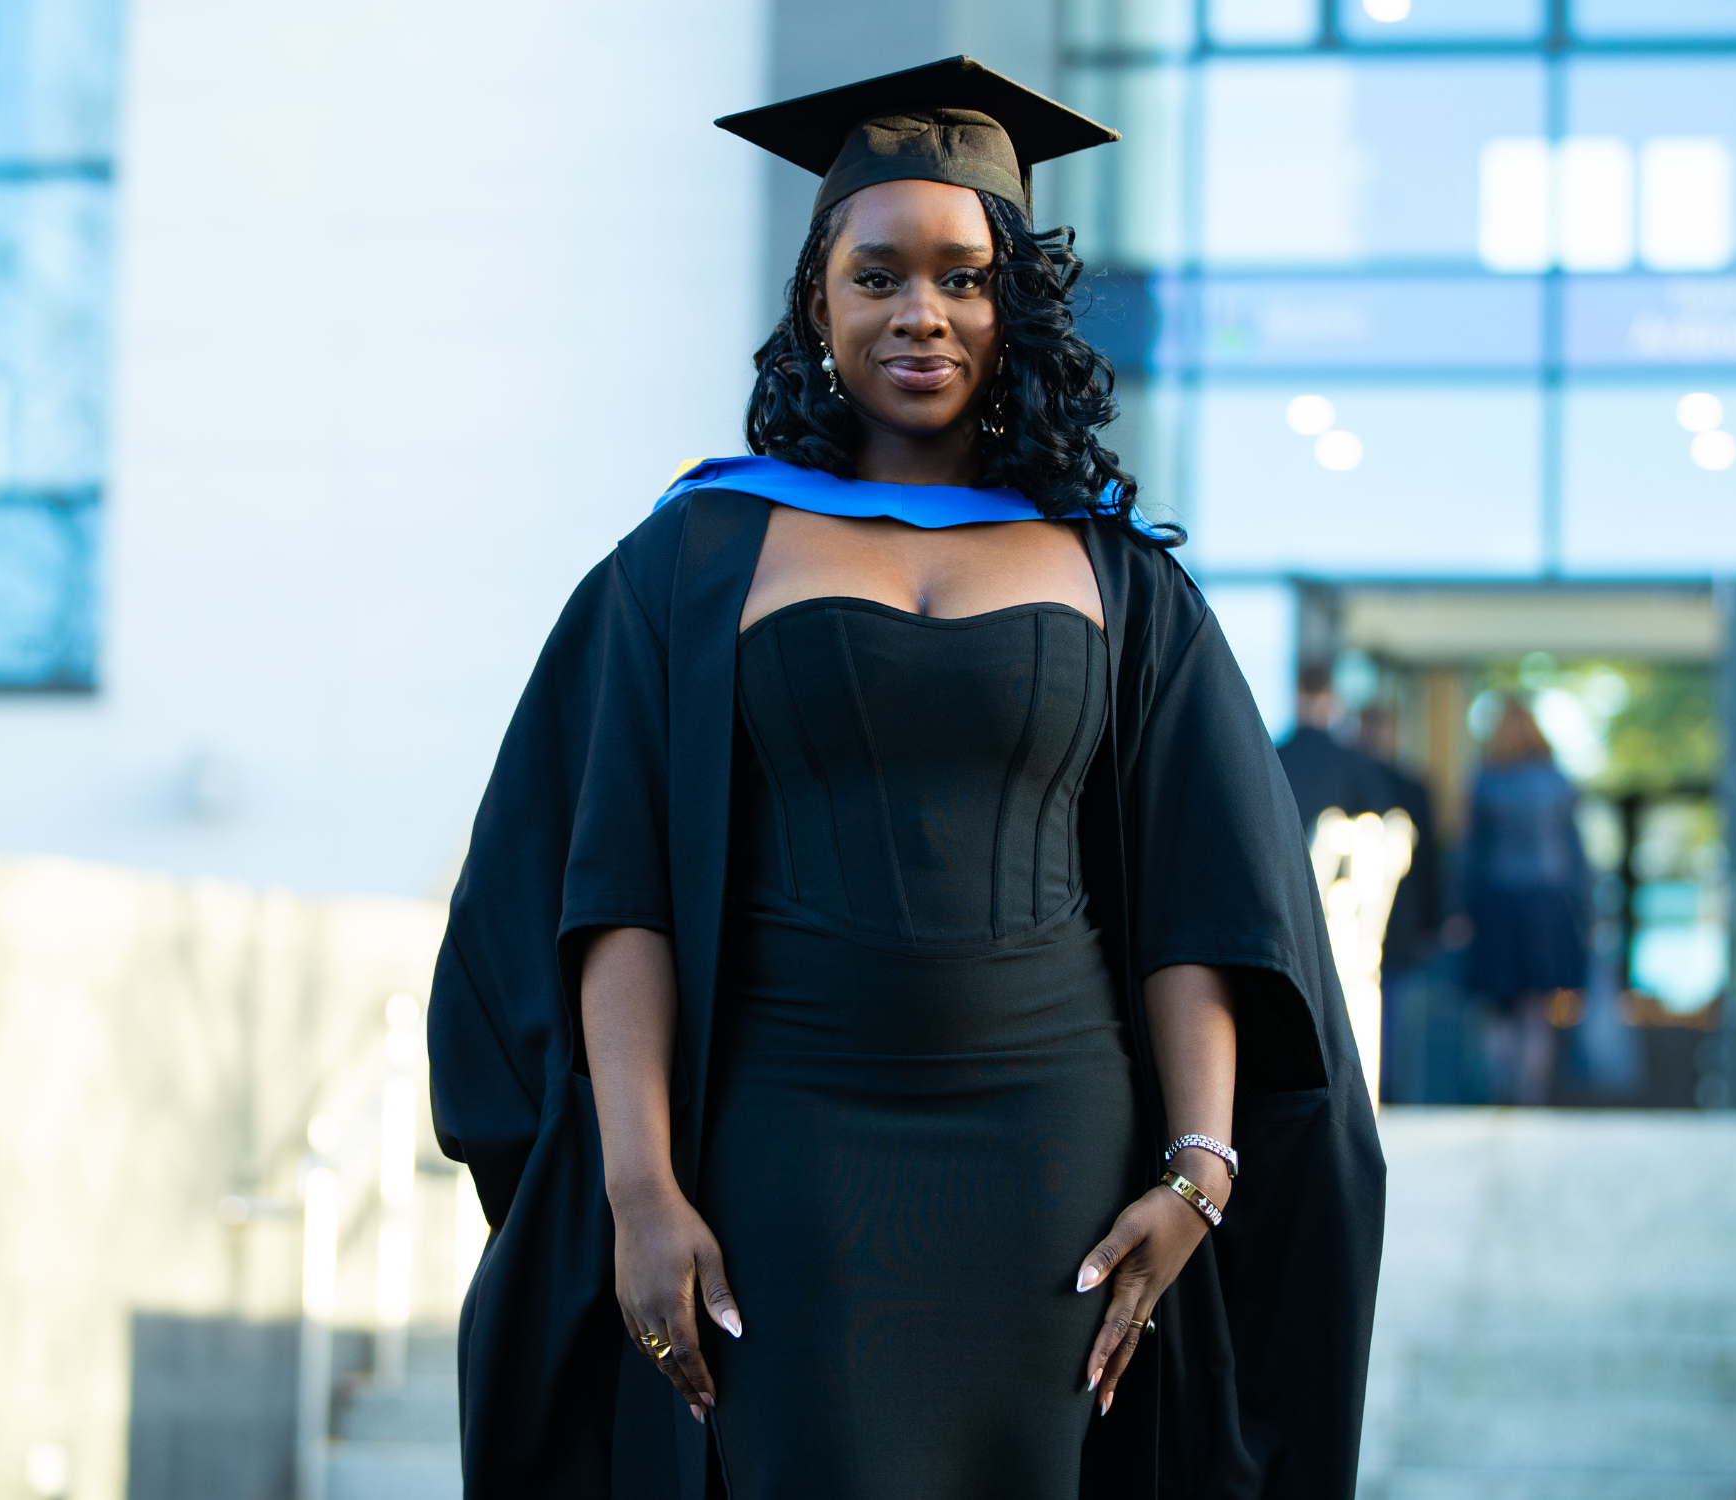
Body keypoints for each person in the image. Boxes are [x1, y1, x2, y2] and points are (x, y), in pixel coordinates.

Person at [426, 57, 1384, 1500]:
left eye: (962, 277)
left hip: (1054, 1154)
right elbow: (613, 895)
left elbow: (1207, 905)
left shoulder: (1119, 579)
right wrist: (640, 1189)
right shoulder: (691, 562)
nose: (919, 314)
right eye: (876, 275)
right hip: (780, 1154)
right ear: (818, 297)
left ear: (1017, 310)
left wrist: (1199, 1169)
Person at [1461, 697, 1590, 1106]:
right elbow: (1575, 854)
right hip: (1548, 905)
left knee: (1499, 1006)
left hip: (1497, 903)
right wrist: (1587, 911)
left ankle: (1500, 1091)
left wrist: (1459, 910)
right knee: (1538, 1009)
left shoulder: (1486, 781)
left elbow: (1470, 856)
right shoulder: (1556, 782)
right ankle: (1531, 1096)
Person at [1358, 704, 1439, 1104]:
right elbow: (1429, 865)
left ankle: (1377, 1089)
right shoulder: (1411, 787)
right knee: (1393, 1011)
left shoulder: (1351, 778)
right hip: (1393, 923)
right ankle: (1385, 1090)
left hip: (1364, 922)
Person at [1276, 664, 1395, 840]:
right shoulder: (1352, 764)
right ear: (1329, 698)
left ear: (1297, 696)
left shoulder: (1275, 759)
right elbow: (1376, 827)